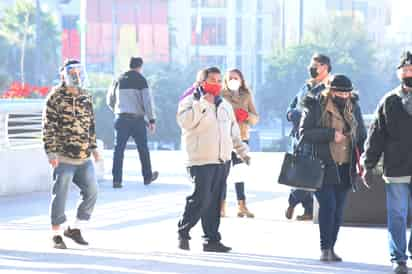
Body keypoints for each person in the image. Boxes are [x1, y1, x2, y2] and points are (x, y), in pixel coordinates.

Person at [176, 67, 250, 252]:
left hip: (222, 161)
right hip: (200, 160)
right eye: (212, 80)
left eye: (218, 80)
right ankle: (183, 231)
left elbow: (233, 133)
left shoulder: (224, 105)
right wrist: (201, 103)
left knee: (215, 201)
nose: (216, 84)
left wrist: (242, 152)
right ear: (201, 83)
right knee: (200, 198)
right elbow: (186, 123)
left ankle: (211, 240)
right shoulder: (189, 102)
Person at [300, 74, 366, 262]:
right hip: (323, 164)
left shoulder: (354, 107)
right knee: (328, 206)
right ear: (330, 90)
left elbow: (361, 133)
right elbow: (304, 133)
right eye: (339, 92)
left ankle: (332, 247)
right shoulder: (315, 104)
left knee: (338, 209)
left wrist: (363, 158)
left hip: (346, 165)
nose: (343, 96)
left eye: (347, 93)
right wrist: (331, 134)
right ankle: (325, 248)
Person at [362, 51, 412, 274]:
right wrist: (368, 164)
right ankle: (399, 258)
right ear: (398, 72)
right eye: (405, 69)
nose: (408, 73)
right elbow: (376, 136)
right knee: (398, 214)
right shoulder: (389, 101)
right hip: (397, 169)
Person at [42, 59, 99, 249]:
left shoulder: (86, 96)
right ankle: (56, 234)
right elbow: (48, 127)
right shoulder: (55, 97)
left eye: (79, 71)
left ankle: (75, 229)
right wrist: (51, 152)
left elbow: (90, 124)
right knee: (61, 194)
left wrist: (94, 148)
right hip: (63, 156)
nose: (76, 75)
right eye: (72, 72)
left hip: (84, 156)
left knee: (92, 191)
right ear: (63, 75)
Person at [285, 53, 332, 221]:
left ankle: (293, 200)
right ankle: (308, 209)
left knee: (307, 172)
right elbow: (292, 106)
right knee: (298, 169)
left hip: (313, 136)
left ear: (325, 68)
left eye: (315, 66)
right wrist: (290, 114)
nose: (311, 69)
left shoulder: (330, 88)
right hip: (298, 136)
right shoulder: (306, 86)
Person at [107, 57, 159, 188]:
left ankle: (116, 180)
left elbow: (110, 100)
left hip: (121, 119)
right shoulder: (141, 80)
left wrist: (118, 110)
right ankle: (147, 177)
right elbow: (147, 102)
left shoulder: (118, 79)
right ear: (140, 66)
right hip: (137, 120)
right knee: (143, 149)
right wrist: (151, 120)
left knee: (118, 150)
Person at [221, 68, 259, 218]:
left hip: (242, 137)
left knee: (239, 173)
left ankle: (242, 205)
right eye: (230, 78)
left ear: (241, 80)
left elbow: (255, 117)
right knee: (222, 174)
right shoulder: (220, 95)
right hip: (224, 138)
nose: (233, 80)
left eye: (236, 78)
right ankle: (221, 206)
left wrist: (246, 116)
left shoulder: (246, 95)